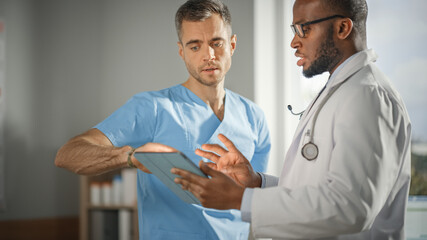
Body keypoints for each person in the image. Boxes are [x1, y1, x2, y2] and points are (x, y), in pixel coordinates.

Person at [172, 0, 412, 239]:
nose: (294, 42)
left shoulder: (367, 96)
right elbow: (316, 192)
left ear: (342, 28)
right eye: (293, 30)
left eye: (303, 29)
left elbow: (350, 207)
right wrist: (256, 183)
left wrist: (240, 199)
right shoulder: (342, 91)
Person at [54, 0, 271, 239]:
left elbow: (255, 202)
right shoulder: (153, 108)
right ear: (182, 52)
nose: (208, 55)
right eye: (195, 46)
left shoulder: (254, 117)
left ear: (232, 44)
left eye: (216, 43)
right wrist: (129, 157)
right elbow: (67, 155)